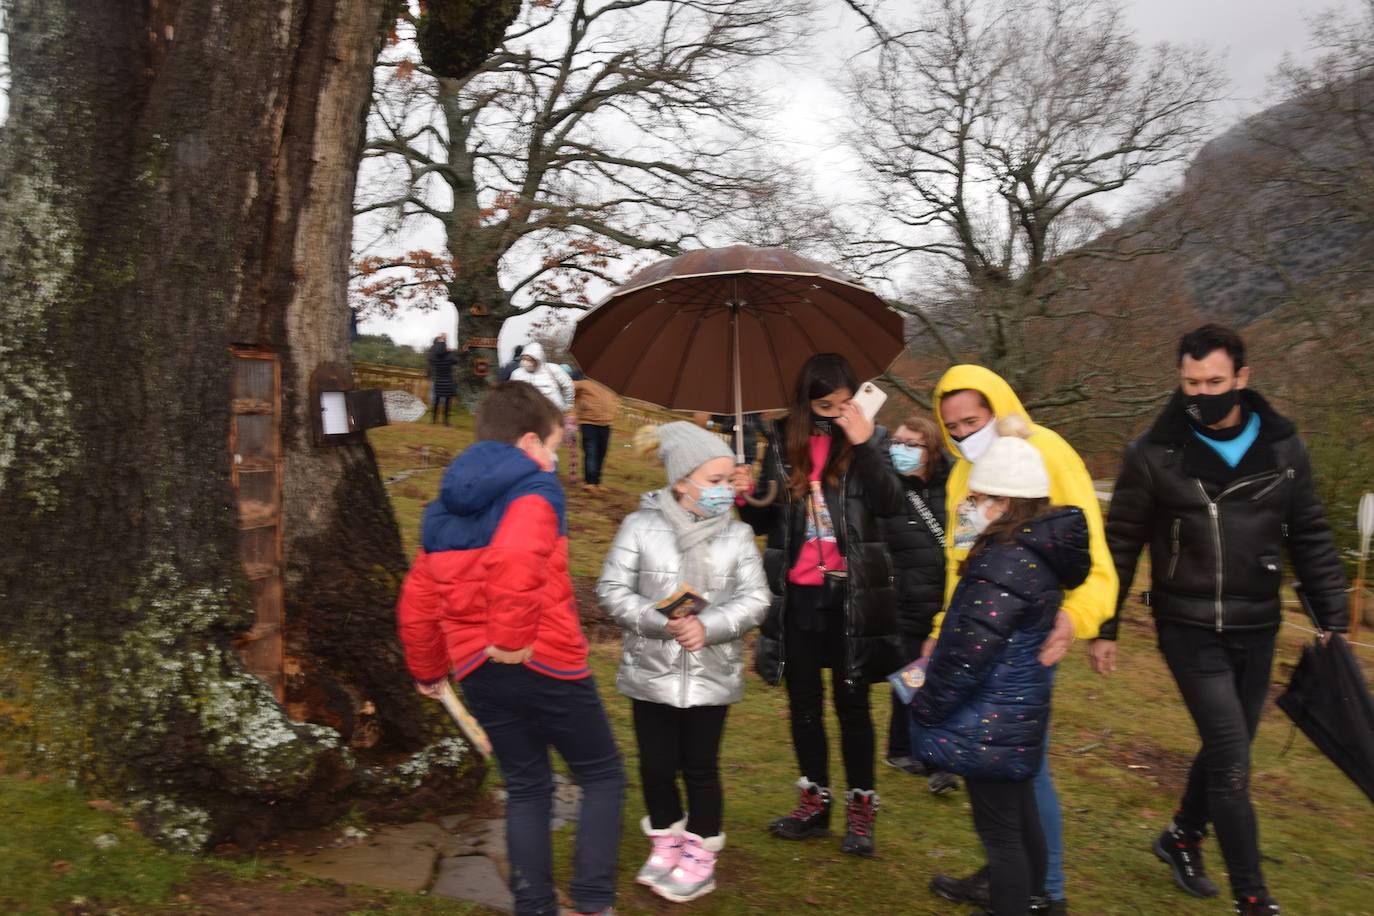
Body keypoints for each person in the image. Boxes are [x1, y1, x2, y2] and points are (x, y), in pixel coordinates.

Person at [1101, 324, 1349, 916]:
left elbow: (1310, 532)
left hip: (1259, 625)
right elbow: (1122, 542)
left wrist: (1332, 616)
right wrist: (1104, 625)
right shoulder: (1152, 453)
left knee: (1225, 748)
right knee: (1233, 760)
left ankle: (1181, 836)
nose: (1202, 393)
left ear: (1242, 378)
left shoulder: (1285, 448)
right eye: (1190, 383)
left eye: (1214, 381)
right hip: (1186, 626)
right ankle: (1254, 897)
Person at [395, 381, 624, 916]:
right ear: (526, 444)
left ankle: (535, 906)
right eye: (550, 444)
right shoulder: (536, 491)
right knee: (602, 774)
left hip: (478, 670)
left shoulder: (439, 511)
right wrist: (513, 640)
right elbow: (518, 557)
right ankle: (592, 904)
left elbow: (418, 602)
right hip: (542, 656)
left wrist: (428, 671)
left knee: (526, 786)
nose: (552, 457)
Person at [925, 365, 1118, 916]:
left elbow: (1092, 555)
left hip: (1029, 639)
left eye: (973, 420)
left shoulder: (1048, 452)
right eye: (953, 426)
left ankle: (1045, 890)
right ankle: (1009, 873)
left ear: (999, 409)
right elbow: (958, 566)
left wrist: (1076, 619)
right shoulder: (963, 475)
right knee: (1000, 771)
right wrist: (942, 633)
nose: (963, 434)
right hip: (979, 630)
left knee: (1021, 767)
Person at [736, 352, 905, 857]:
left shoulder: (872, 439)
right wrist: (747, 497)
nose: (834, 412)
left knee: (853, 705)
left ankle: (861, 806)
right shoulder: (782, 442)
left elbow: (891, 503)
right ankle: (814, 800)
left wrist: (863, 442)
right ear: (806, 403)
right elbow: (766, 525)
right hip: (800, 594)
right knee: (804, 704)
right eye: (824, 404)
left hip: (852, 596)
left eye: (844, 402)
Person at [596, 422, 770, 903]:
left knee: (699, 766)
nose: (725, 491)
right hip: (650, 672)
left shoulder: (737, 536)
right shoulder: (640, 527)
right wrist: (657, 621)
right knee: (655, 765)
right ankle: (667, 840)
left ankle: (700, 853)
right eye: (714, 481)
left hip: (711, 676)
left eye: (728, 481)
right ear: (681, 482)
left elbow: (756, 600)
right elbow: (611, 590)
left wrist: (708, 627)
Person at [878, 413, 956, 795]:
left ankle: (928, 753)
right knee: (912, 680)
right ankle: (909, 751)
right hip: (906, 603)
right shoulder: (887, 487)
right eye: (896, 442)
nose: (901, 450)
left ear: (932, 450)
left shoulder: (955, 484)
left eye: (912, 444)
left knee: (942, 680)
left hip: (948, 601)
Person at [572, 370, 620, 492]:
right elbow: (569, 387)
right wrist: (580, 405)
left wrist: (613, 412)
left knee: (601, 453)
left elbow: (615, 400)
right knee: (591, 452)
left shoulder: (610, 387)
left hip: (606, 424)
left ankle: (598, 482)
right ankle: (589, 483)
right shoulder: (585, 383)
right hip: (588, 422)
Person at [429, 338, 458, 425]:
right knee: (447, 402)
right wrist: (450, 352)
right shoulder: (449, 356)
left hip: (438, 381)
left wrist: (441, 342)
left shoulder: (434, 357)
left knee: (436, 401)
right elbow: (456, 361)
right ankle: (445, 421)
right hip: (447, 381)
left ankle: (433, 420)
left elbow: (431, 359)